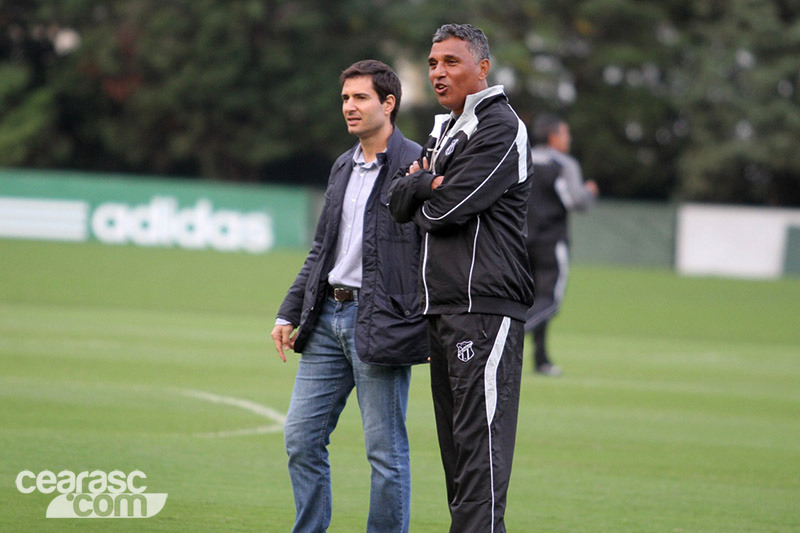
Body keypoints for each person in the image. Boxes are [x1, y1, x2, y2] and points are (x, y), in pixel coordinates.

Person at [387, 24, 534, 533]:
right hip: (443, 307)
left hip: (484, 308)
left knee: (480, 453)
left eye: (451, 61)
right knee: (458, 455)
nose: (438, 72)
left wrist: (422, 189)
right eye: (432, 63)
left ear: (482, 67)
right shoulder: (445, 127)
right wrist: (426, 185)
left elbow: (449, 208)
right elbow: (396, 202)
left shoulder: (499, 126)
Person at [270, 59, 428, 533]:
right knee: (300, 438)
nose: (350, 107)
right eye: (345, 98)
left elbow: (433, 249)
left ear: (389, 103)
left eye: (360, 97)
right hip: (325, 321)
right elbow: (323, 249)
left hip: (380, 323)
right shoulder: (342, 164)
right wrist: (289, 311)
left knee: (385, 453)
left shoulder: (418, 162)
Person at [525, 113, 599, 376]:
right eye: (566, 134)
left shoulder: (524, 157)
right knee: (550, 301)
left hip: (520, 242)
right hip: (551, 242)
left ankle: (541, 360)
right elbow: (577, 201)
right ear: (554, 136)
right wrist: (590, 191)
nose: (568, 139)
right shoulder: (564, 164)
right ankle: (513, 335)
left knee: (532, 299)